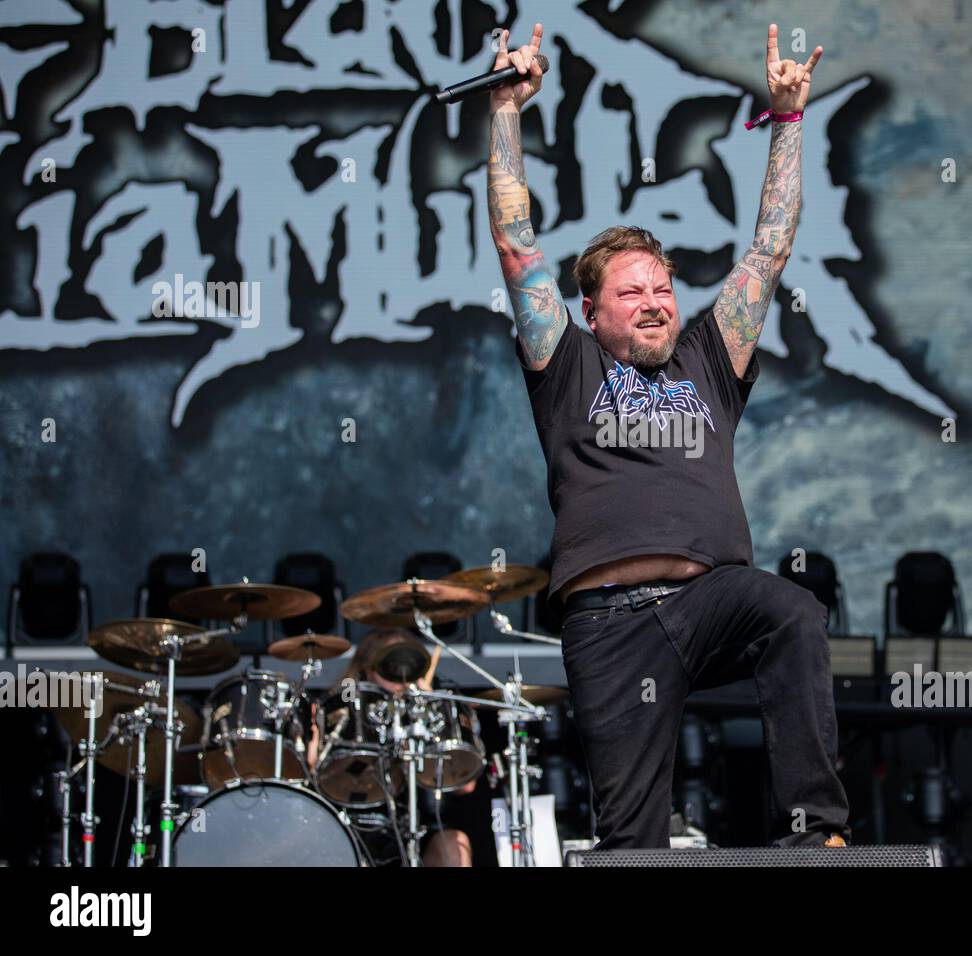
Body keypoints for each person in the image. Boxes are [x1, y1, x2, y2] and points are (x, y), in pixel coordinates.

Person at [487, 22, 850, 848]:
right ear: (590, 312)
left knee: (792, 611)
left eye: (663, 288)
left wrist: (789, 123)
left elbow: (770, 244)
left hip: (707, 603)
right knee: (633, 846)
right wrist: (507, 108)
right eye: (632, 292)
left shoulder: (707, 361)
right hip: (610, 625)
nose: (655, 301)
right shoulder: (565, 364)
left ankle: (815, 834)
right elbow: (517, 242)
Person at [311, 628, 478, 866]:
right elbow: (311, 771)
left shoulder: (421, 715)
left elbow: (466, 784)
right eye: (390, 668)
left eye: (409, 667)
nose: (401, 679)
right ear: (368, 670)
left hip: (409, 832)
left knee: (454, 844)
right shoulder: (341, 709)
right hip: (341, 826)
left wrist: (432, 715)